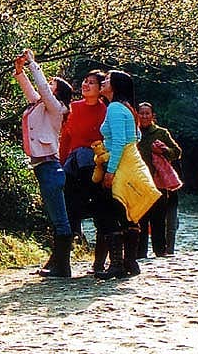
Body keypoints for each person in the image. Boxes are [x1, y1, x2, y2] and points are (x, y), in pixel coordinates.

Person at [13, 49, 74, 277]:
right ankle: (57, 263)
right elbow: (32, 91)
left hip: (50, 167)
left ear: (58, 92)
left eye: (52, 84)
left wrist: (33, 64)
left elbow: (43, 91)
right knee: (55, 217)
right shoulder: (40, 106)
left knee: (60, 220)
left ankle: (62, 267)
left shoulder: (56, 109)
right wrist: (20, 71)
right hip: (43, 168)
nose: (47, 85)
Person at [94, 70, 160, 279]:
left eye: (106, 80)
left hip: (121, 164)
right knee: (128, 213)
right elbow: (136, 136)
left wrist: (110, 171)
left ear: (114, 86)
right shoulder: (128, 109)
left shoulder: (114, 108)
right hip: (133, 162)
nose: (102, 82)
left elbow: (121, 142)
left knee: (110, 212)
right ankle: (130, 261)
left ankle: (117, 264)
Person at [59, 70, 108, 272]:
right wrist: (60, 165)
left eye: (91, 83)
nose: (86, 85)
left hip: (96, 164)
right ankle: (63, 261)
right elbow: (66, 138)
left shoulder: (106, 110)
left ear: (100, 89)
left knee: (100, 210)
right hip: (73, 165)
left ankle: (99, 261)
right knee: (69, 209)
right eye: (85, 82)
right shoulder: (73, 108)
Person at [136, 102, 183, 258]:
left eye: (147, 113)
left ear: (153, 116)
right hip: (138, 182)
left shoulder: (161, 133)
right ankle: (139, 253)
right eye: (141, 113)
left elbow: (177, 152)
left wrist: (164, 149)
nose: (144, 116)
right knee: (140, 218)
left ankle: (160, 252)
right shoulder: (132, 133)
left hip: (158, 182)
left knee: (158, 218)